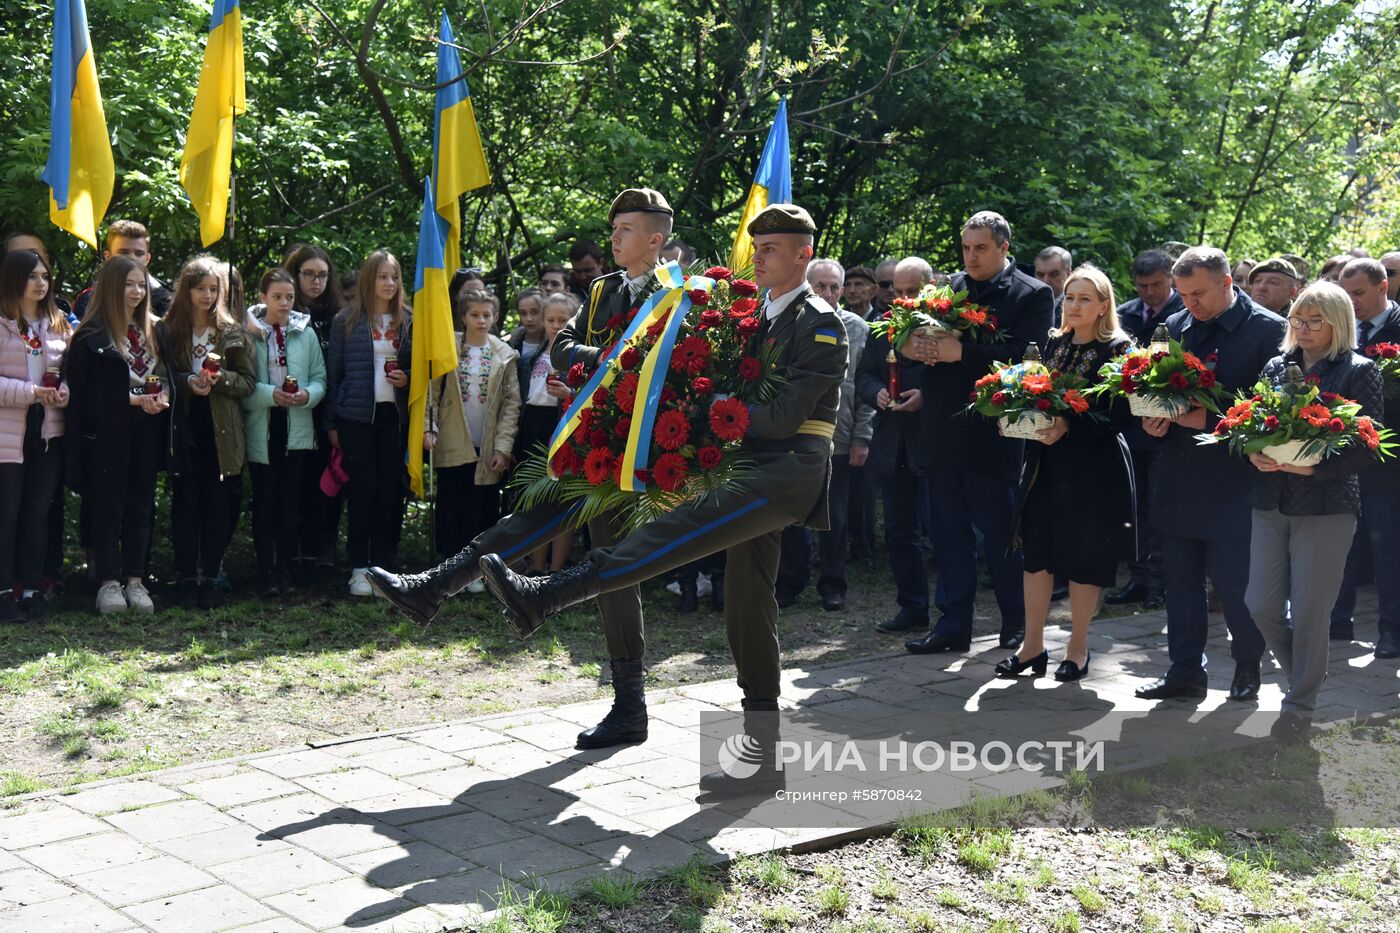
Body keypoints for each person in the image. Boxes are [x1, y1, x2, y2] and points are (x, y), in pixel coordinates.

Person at [476, 203, 847, 791]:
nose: (760, 257)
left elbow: (779, 417)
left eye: (771, 247)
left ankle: (548, 594)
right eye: (758, 247)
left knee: (672, 535)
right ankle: (765, 751)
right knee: (749, 604)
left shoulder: (819, 323)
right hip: (742, 462)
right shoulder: (756, 317)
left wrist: (699, 405)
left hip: (785, 473)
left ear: (803, 253)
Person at [366, 188, 673, 751]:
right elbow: (563, 347)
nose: (614, 238)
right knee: (556, 534)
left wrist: (608, 364)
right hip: (595, 441)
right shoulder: (602, 290)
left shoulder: (677, 294)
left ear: (655, 238)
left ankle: (628, 702)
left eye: (625, 229)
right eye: (614, 228)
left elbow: (666, 365)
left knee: (614, 569)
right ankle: (434, 588)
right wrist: (599, 362)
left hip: (643, 452)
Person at [1135, 247, 1285, 702]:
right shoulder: (1176, 326)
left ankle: (1247, 668)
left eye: (1198, 293)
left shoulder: (1268, 331)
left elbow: (1274, 413)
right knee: (1179, 584)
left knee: (1235, 584)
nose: (1190, 304)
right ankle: (1184, 670)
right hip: (1180, 474)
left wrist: (1212, 419)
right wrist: (1151, 418)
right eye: (1182, 295)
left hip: (1236, 480)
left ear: (1226, 283)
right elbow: (1154, 387)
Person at [903, 211, 1055, 655]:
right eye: (966, 248)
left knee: (1003, 538)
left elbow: (1027, 356)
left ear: (1005, 248)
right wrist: (914, 346)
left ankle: (1016, 625)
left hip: (996, 435)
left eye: (981, 248)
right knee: (948, 537)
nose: (971, 256)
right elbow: (915, 341)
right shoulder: (948, 289)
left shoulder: (1034, 293)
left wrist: (959, 352)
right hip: (942, 431)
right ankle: (952, 626)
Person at [1245, 282, 1383, 731]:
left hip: (1327, 505)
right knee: (1260, 605)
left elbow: (1367, 446)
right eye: (1297, 320)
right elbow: (1248, 426)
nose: (1302, 328)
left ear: (1338, 323)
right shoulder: (1275, 365)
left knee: (1309, 610)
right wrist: (1253, 451)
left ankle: (1300, 702)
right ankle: (1305, 673)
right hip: (1270, 500)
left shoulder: (1359, 370)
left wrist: (1313, 470)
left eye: (1314, 321)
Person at [996, 265, 1135, 682]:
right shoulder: (1052, 345)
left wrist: (1069, 425)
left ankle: (1077, 649)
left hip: (1093, 467)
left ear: (1103, 306)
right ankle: (1032, 646)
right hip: (1044, 464)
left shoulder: (1120, 350)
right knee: (1035, 554)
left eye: (1084, 299)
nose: (1073, 306)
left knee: (1084, 558)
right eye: (1069, 298)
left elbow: (1121, 414)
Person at [64, 257, 171, 615]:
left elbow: (168, 377)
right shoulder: (90, 337)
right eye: (129, 284)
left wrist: (163, 397)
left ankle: (136, 581)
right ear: (111, 286)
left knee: (142, 506)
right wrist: (131, 399)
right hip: (105, 435)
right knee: (107, 506)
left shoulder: (156, 330)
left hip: (147, 431)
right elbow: (81, 395)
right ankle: (108, 582)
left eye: (142, 285)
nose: (138, 292)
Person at [158, 257, 256, 608]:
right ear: (186, 290)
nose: (207, 295)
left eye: (214, 289)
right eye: (200, 288)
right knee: (185, 503)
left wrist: (220, 380)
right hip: (185, 429)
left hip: (222, 432)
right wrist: (187, 382)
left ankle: (212, 575)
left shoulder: (232, 333)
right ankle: (186, 576)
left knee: (217, 505)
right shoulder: (169, 331)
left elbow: (247, 383)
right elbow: (162, 375)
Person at [775, 258, 872, 611]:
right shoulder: (789, 324)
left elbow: (864, 388)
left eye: (834, 287)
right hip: (796, 437)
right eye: (820, 286)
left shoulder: (858, 328)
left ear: (842, 291)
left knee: (835, 517)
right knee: (792, 516)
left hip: (841, 438)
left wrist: (862, 437)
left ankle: (833, 584)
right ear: (806, 286)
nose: (828, 293)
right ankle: (790, 581)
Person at [327, 250, 413, 597]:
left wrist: (406, 380)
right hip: (356, 418)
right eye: (382, 277)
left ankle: (383, 568)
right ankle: (359, 568)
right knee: (362, 491)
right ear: (368, 280)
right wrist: (331, 422)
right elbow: (335, 374)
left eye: (394, 277)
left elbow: (418, 375)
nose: (389, 284)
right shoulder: (346, 320)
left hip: (394, 419)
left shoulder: (409, 320)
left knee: (389, 493)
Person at [1106, 249, 1184, 609]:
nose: (1149, 293)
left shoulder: (1183, 315)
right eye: (1142, 286)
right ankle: (1138, 578)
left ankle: (1159, 583)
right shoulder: (1125, 314)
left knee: (1158, 507)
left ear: (1170, 277)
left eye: (1156, 285)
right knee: (1131, 507)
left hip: (1166, 426)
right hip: (1130, 425)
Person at [424, 289, 521, 575]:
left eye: (487, 315)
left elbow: (511, 404)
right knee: (451, 502)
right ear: (463, 317)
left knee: (481, 507)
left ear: (495, 316)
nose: (481, 320)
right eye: (474, 315)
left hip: (487, 443)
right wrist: (429, 428)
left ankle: (476, 569)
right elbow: (432, 392)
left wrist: (503, 448)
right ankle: (449, 567)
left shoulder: (504, 354)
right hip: (453, 439)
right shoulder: (448, 347)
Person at [1331, 258, 1400, 658]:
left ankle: (1391, 630)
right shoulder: (1341, 331)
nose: (1351, 302)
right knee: (1341, 540)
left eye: (1358, 293)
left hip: (1390, 456)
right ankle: (1337, 620)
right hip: (1345, 450)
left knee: (1388, 546)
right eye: (1346, 294)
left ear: (1382, 288)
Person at [245, 268, 327, 596]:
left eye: (289, 297)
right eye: (277, 296)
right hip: (262, 428)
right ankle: (266, 570)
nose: (283, 303)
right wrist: (269, 395)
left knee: (291, 504)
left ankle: (287, 568)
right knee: (265, 503)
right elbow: (241, 384)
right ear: (263, 296)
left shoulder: (305, 332)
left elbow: (320, 376)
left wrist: (307, 395)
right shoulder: (248, 333)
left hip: (297, 428)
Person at [0, 251, 71, 622]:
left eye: (45, 276)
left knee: (36, 514)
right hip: (7, 434)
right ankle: (3, 594)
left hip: (46, 431)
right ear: (14, 279)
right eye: (32, 276)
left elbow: (73, 374)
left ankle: (30, 589)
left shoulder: (58, 323)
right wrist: (30, 392)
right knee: (6, 515)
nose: (41, 283)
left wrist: (63, 393)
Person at [282, 244, 344, 575]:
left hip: (330, 413)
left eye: (322, 275)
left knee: (329, 483)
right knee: (294, 485)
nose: (316, 282)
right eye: (309, 274)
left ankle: (323, 550)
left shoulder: (338, 315)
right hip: (293, 411)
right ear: (295, 275)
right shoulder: (282, 312)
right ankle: (290, 554)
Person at [513, 293, 577, 574]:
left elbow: (589, 397)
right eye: (550, 320)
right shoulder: (533, 355)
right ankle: (537, 567)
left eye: (562, 320)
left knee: (559, 504)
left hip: (561, 432)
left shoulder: (578, 357)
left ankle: (556, 569)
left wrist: (569, 394)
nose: (555, 325)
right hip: (533, 430)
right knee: (536, 501)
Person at [73, 220, 173, 317]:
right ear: (107, 257)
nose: (132, 258)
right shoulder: (88, 300)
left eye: (139, 254)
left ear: (147, 259)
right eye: (123, 253)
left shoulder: (164, 301)